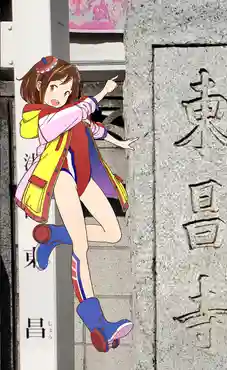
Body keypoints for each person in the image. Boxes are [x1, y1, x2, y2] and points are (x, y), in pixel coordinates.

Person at [15, 56, 137, 353]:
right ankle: (98, 324)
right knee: (81, 247)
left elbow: (90, 128)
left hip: (84, 178)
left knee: (113, 233)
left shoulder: (71, 110)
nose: (61, 95)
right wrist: (99, 96)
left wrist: (120, 143)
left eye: (67, 91)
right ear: (39, 86)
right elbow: (64, 120)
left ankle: (55, 235)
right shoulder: (37, 116)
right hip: (62, 180)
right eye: (55, 87)